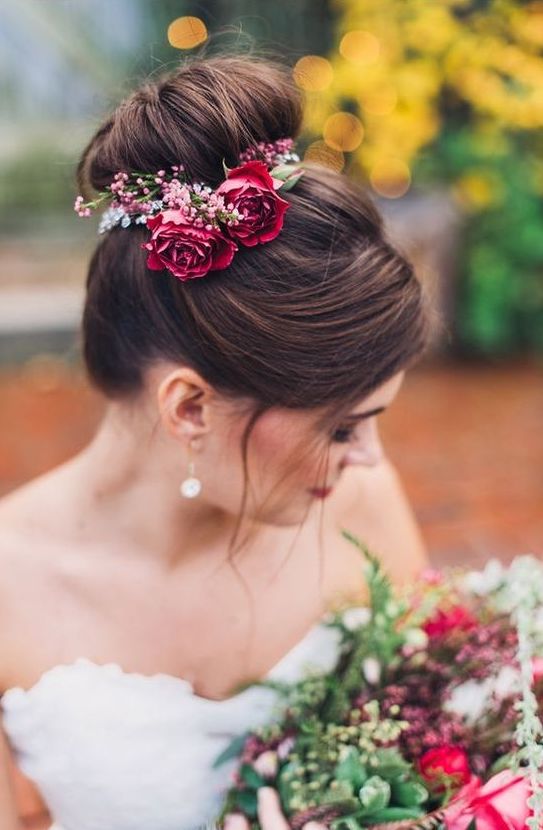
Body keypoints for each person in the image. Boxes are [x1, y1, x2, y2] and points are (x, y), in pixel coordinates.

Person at [0, 51, 432, 830]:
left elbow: (439, 743)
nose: (368, 457)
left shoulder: (361, 501)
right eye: (340, 427)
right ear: (191, 408)